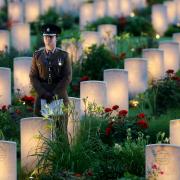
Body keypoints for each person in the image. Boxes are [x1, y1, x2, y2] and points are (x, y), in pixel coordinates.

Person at [29, 24, 72, 119]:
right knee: (41, 128)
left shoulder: (63, 56)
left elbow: (67, 76)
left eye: (51, 37)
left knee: (60, 127)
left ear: (56, 38)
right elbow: (33, 76)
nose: (48, 39)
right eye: (45, 37)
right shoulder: (37, 55)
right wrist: (43, 93)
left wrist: (55, 94)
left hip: (59, 96)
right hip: (42, 96)